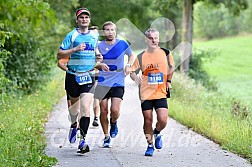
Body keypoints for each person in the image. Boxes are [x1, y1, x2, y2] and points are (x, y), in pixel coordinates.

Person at [57, 7, 109, 154]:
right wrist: (75, 49)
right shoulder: (71, 35)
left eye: (86, 17)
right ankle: (74, 125)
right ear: (77, 20)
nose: (84, 20)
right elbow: (59, 54)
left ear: (89, 20)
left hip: (89, 75)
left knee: (86, 109)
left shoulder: (94, 35)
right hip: (73, 75)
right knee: (74, 111)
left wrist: (99, 57)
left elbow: (96, 52)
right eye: (81, 17)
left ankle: (83, 140)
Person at [130, 28, 174, 156]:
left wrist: (169, 81)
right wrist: (135, 77)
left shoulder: (165, 53)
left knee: (163, 119)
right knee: (147, 119)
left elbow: (171, 68)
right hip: (146, 93)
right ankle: (150, 145)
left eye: (155, 38)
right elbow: (132, 71)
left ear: (159, 39)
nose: (153, 40)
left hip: (161, 92)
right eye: (150, 38)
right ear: (146, 40)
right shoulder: (141, 56)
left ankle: (157, 133)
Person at [94, 21, 134, 148]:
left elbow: (131, 55)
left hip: (118, 79)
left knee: (115, 110)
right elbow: (91, 61)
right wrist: (98, 64)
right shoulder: (99, 45)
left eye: (112, 30)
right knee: (104, 110)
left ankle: (114, 122)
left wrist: (128, 65)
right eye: (107, 30)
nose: (110, 32)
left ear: (115, 31)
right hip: (102, 80)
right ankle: (106, 137)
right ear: (103, 32)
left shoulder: (122, 43)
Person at [89, 26, 100, 127]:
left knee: (96, 96)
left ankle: (96, 117)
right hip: (86, 74)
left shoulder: (101, 46)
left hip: (97, 74)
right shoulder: (86, 44)